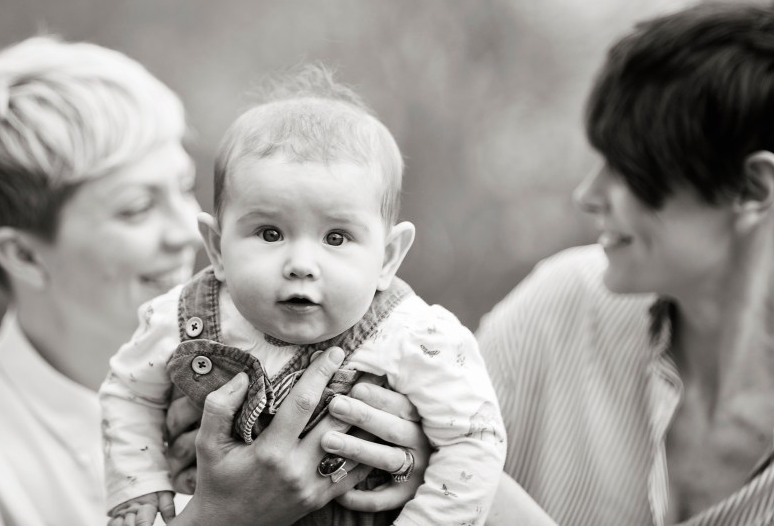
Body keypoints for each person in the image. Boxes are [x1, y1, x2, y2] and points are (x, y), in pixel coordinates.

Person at [0, 37, 426, 526]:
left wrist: (424, 460)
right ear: (24, 256)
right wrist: (225, 519)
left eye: (183, 187)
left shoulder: (356, 345)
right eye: (136, 209)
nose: (188, 231)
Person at [99, 68, 507, 526]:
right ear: (216, 247)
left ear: (388, 257)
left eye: (336, 237)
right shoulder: (181, 319)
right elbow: (129, 391)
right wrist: (138, 480)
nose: (301, 263)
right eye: (270, 233)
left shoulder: (415, 336)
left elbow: (474, 437)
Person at [477, 0, 774, 525]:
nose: (588, 195)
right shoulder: (559, 308)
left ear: (754, 189)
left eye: (629, 168)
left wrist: (482, 490)